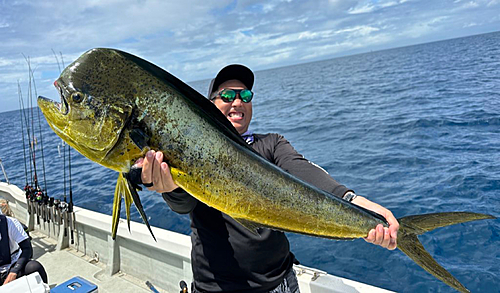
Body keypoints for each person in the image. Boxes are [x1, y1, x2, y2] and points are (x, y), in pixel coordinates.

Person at [136, 65, 399, 293]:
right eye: (227, 95)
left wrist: (354, 201)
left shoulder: (271, 144)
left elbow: (303, 170)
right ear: (210, 105)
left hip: (280, 282)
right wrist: (170, 189)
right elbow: (183, 204)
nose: (237, 102)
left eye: (245, 95)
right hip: (215, 286)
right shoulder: (190, 148)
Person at [0, 199, 48, 286]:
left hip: (13, 265)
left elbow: (27, 248)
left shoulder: (10, 223)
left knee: (34, 267)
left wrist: (14, 272)